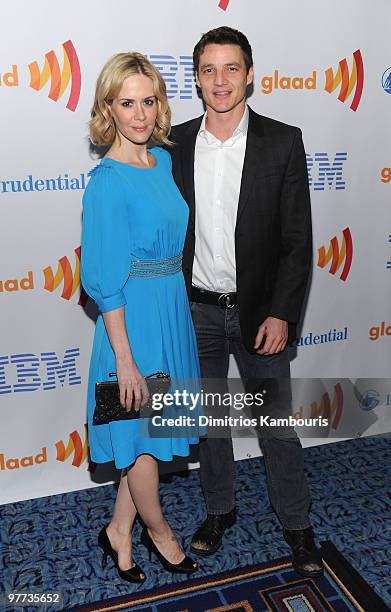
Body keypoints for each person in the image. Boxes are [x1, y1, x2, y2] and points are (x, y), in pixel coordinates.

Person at [169, 26, 323, 577]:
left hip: (261, 314)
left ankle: (298, 525)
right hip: (197, 311)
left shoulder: (283, 141)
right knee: (211, 422)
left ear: (250, 73)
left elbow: (297, 240)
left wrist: (282, 312)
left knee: (274, 423)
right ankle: (219, 511)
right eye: (208, 70)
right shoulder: (175, 142)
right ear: (197, 78)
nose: (220, 81)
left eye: (231, 68)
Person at [81, 52, 200, 582]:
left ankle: (119, 532)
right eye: (126, 103)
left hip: (169, 311)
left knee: (142, 442)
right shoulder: (105, 182)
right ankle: (162, 533)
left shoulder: (164, 161)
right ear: (108, 108)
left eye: (148, 101)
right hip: (130, 326)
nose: (139, 114)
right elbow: (105, 284)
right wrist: (125, 363)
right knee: (144, 443)